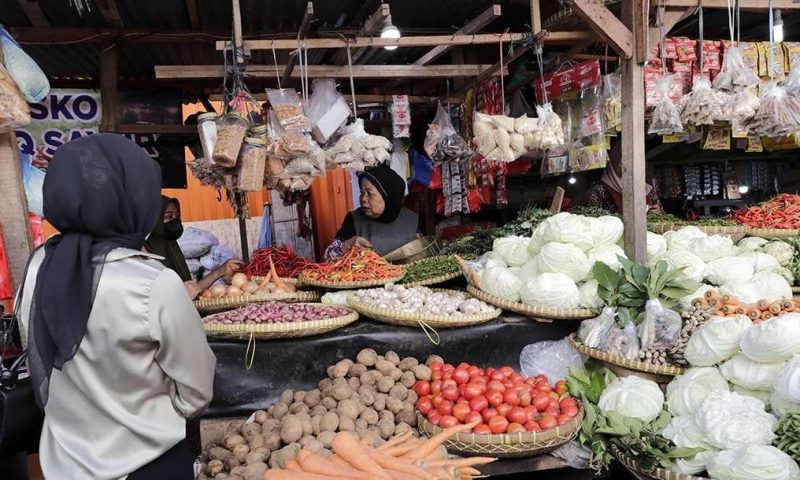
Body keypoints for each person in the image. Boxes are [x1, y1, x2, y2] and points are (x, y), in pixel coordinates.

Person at [18, 134, 216, 479]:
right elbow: (196, 392)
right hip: (146, 463)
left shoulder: (39, 266)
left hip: (66, 464)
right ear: (134, 202)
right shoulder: (153, 282)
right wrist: (152, 413)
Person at [145, 196, 243, 299]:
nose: (175, 221)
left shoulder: (171, 246)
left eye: (177, 216)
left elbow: (191, 291)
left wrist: (221, 270)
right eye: (169, 217)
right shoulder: (147, 254)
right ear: (154, 220)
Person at [325, 163, 419, 259]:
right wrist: (346, 245)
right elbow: (328, 256)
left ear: (388, 197)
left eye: (369, 193)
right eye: (362, 192)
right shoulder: (354, 220)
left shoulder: (412, 220)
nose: (363, 199)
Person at [584, 140, 663, 214]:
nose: (630, 167)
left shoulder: (647, 189)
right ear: (614, 162)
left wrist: (658, 212)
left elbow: (662, 214)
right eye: (624, 162)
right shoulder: (598, 189)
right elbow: (591, 217)